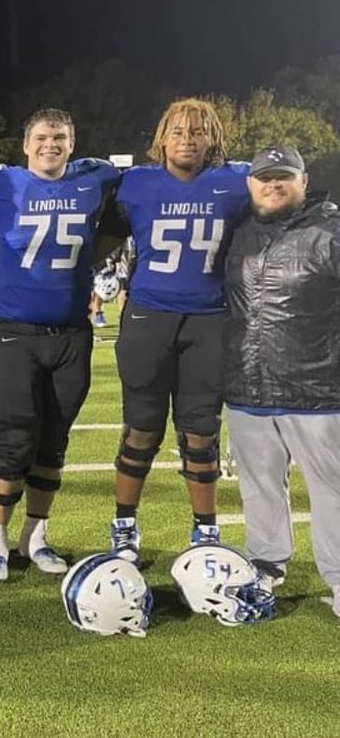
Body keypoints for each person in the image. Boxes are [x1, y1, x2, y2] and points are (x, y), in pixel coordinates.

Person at [97, 99, 250, 560]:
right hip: (148, 318)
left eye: (198, 131)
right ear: (162, 138)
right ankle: (124, 522)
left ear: (213, 140)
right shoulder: (134, 184)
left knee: (201, 433)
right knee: (141, 429)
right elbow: (98, 239)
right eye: (179, 131)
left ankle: (205, 530)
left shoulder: (236, 183)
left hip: (209, 320)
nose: (188, 138)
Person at [0, 109, 121, 580]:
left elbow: (115, 189)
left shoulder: (94, 180)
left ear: (72, 145)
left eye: (59, 137)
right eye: (41, 137)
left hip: (72, 332)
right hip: (15, 331)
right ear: (25, 143)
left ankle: (35, 534)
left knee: (54, 441)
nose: (50, 144)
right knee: (15, 438)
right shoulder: (4, 182)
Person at [223, 145, 340, 614]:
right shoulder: (238, 233)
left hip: (318, 390)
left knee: (331, 489)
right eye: (264, 177)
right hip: (248, 387)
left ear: (303, 182)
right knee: (259, 485)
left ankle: (337, 577)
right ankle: (266, 564)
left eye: (283, 177)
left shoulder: (330, 232)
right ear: (250, 184)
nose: (273, 184)